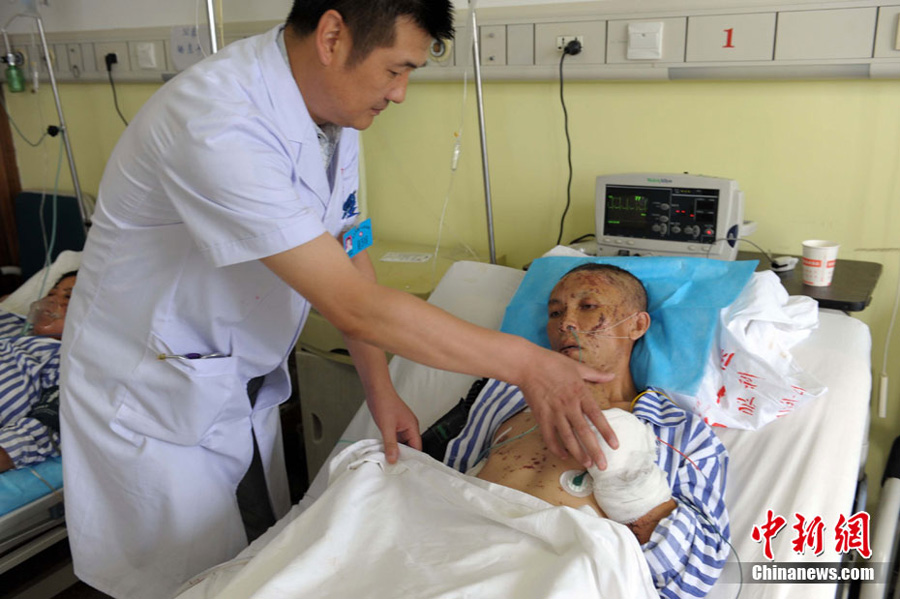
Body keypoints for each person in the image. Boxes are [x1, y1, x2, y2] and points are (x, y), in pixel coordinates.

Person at [59, 2, 620, 598]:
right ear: (332, 37)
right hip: (150, 392)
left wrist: (380, 389)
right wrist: (530, 365)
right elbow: (351, 305)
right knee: (180, 584)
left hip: (226, 379)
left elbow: (349, 248)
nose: (400, 93)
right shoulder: (216, 122)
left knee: (252, 566)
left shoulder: (331, 115)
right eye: (395, 70)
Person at [443, 263, 731, 598]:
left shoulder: (682, 433)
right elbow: (441, 483)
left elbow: (693, 575)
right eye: (555, 313)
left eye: (588, 306)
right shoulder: (502, 395)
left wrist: (626, 475)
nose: (565, 323)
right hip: (449, 562)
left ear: (638, 324)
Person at [0, 272, 77, 473]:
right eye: (51, 294)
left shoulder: (67, 361)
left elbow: (49, 427)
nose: (52, 301)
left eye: (68, 297)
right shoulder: (10, 324)